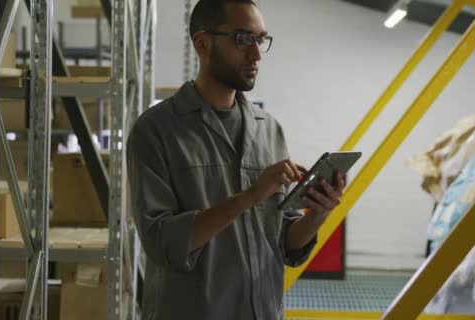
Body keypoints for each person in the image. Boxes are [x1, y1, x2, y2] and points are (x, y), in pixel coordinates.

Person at [127, 0, 345, 319]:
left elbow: (284, 241)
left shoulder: (269, 130)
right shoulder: (156, 131)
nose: (256, 53)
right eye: (243, 39)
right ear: (202, 43)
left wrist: (317, 214)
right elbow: (162, 242)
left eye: (261, 39)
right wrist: (251, 196)